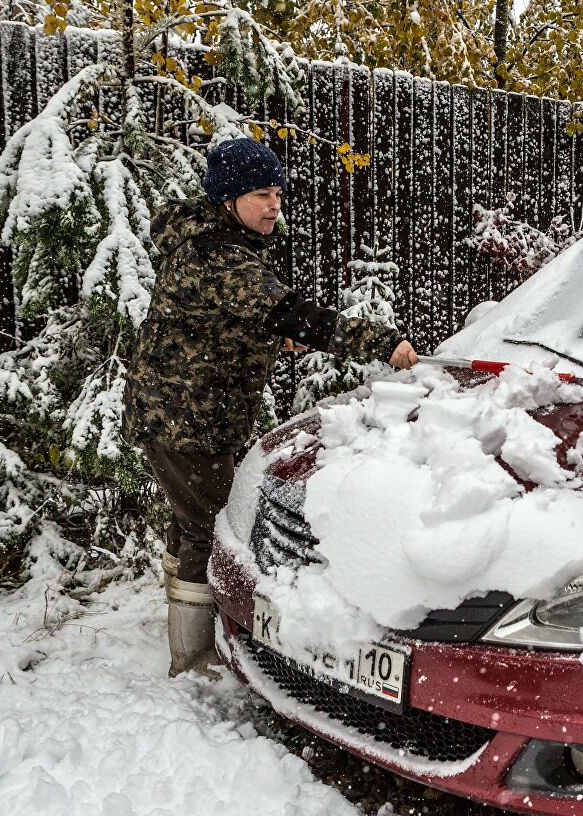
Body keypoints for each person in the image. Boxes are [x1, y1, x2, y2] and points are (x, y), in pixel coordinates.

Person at [123, 137, 419, 677]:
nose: (274, 205)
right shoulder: (220, 256)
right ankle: (192, 656)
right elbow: (295, 314)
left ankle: (184, 623)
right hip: (186, 419)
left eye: (278, 193)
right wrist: (383, 343)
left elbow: (216, 321)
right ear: (229, 198)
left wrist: (262, 338)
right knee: (207, 527)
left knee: (191, 518)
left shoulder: (212, 239)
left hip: (182, 410)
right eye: (261, 194)